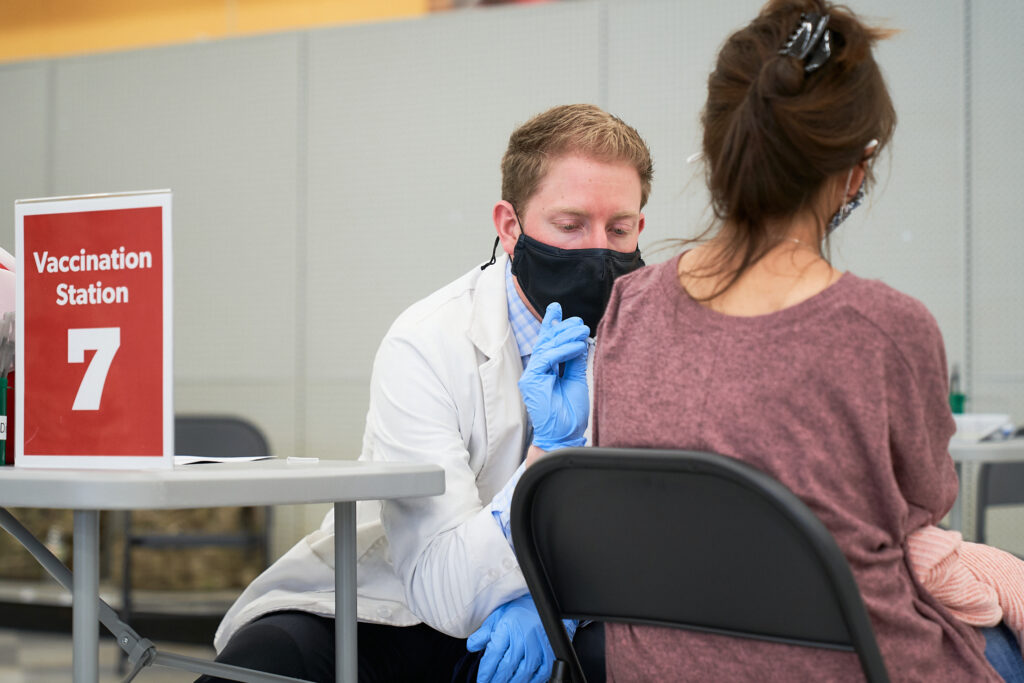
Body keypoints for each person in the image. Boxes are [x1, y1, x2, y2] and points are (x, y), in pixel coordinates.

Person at [590, 2, 1024, 681]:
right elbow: (920, 509)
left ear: (714, 146)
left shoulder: (629, 306)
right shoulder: (886, 330)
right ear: (856, 168)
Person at [199, 103, 652, 683]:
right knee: (268, 661)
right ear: (510, 227)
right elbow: (447, 592)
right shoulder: (428, 342)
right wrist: (552, 453)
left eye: (618, 229)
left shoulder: (660, 338)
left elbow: (661, 533)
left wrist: (559, 609)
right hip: (393, 605)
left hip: (574, 605)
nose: (598, 252)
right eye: (569, 226)